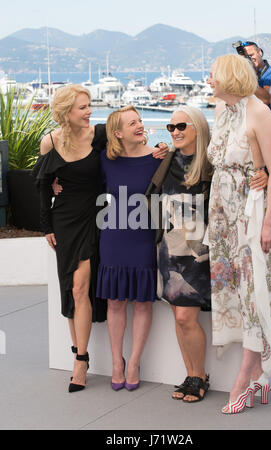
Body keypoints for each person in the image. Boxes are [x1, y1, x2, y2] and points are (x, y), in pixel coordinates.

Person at [145, 106, 268, 403]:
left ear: (198, 128)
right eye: (171, 126)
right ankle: (191, 374)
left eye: (181, 126)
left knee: (187, 315)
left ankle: (199, 375)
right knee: (179, 316)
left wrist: (263, 174)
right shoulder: (167, 159)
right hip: (169, 248)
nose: (174, 131)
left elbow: (243, 175)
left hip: (199, 252)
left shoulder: (213, 164)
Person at [207, 54, 271, 414]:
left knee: (253, 292)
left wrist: (268, 223)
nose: (208, 80)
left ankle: (245, 378)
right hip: (223, 214)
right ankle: (259, 372)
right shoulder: (219, 109)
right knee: (234, 290)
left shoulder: (258, 112)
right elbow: (217, 158)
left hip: (250, 211)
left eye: (213, 75)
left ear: (228, 77)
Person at [33, 84, 107, 393]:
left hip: (95, 217)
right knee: (70, 287)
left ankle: (81, 360)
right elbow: (40, 184)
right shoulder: (49, 142)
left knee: (80, 287)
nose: (89, 111)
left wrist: (158, 150)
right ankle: (78, 352)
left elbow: (131, 147)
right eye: (82, 107)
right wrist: (46, 226)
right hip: (63, 220)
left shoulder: (100, 135)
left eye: (89, 105)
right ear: (66, 112)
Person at [96, 106, 163, 391]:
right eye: (131, 123)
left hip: (145, 237)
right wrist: (56, 183)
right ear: (118, 133)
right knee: (115, 301)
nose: (139, 125)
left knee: (142, 301)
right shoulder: (105, 160)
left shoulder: (160, 157)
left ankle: (134, 361)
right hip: (113, 236)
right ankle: (116, 362)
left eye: (139, 120)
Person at [242, 41, 271, 109]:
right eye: (246, 57)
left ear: (259, 52)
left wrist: (248, 78)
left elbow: (266, 100)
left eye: (251, 55)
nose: (249, 59)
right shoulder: (243, 74)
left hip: (265, 118)